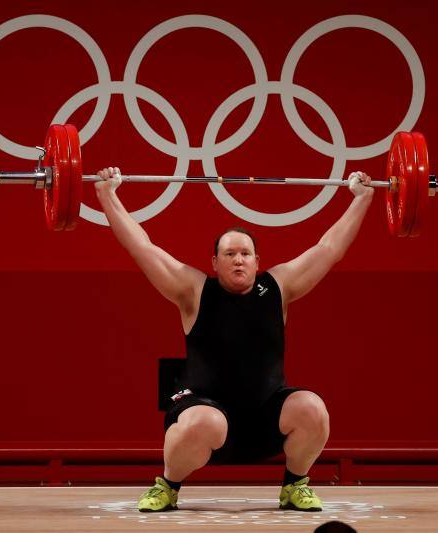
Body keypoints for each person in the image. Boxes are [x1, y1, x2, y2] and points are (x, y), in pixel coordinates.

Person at [94, 166, 374, 512]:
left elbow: (329, 248)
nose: (238, 260)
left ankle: (294, 486)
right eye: (229, 254)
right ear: (215, 262)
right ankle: (167, 486)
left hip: (264, 418)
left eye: (245, 254)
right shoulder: (193, 291)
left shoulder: (278, 287)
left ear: (257, 261)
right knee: (203, 422)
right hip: (206, 416)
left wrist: (362, 199)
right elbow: (142, 247)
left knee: (312, 410)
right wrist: (108, 195)